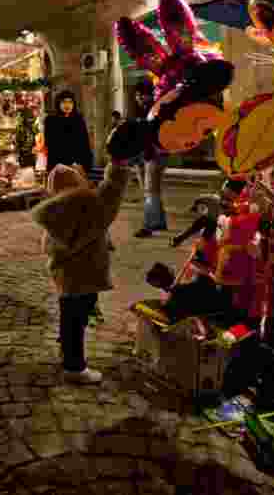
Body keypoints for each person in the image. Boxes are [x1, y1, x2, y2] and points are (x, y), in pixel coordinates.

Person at [32, 156, 129, 384]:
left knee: (70, 318)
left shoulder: (56, 214)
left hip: (66, 278)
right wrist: (119, 164)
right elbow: (112, 191)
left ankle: (67, 353)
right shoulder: (88, 211)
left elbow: (49, 246)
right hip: (84, 276)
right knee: (76, 321)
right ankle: (74, 367)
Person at [133, 79, 167, 238]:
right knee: (154, 190)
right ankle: (159, 222)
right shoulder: (150, 109)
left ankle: (149, 226)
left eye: (140, 95)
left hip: (155, 154)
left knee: (150, 191)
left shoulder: (154, 110)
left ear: (148, 95)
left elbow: (152, 135)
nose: (138, 98)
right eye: (136, 96)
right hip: (153, 154)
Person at [43, 90, 93, 177]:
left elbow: (85, 144)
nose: (67, 105)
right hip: (58, 165)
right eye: (64, 102)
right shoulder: (51, 120)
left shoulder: (78, 119)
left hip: (78, 166)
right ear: (58, 103)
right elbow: (51, 144)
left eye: (70, 102)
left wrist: (84, 165)